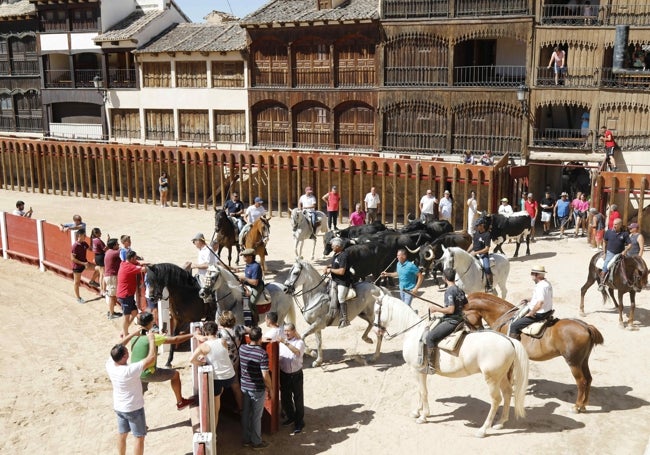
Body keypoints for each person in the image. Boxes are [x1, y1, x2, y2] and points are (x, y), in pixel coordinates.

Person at [130, 312, 196, 410]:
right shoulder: (153, 337)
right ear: (150, 323)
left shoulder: (134, 337)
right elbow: (176, 339)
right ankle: (180, 402)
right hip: (148, 372)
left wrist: (160, 336)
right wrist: (192, 335)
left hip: (135, 372)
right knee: (175, 375)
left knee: (138, 398)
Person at [106, 330, 156, 455]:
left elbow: (118, 346)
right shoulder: (130, 370)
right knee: (139, 437)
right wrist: (151, 340)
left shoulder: (110, 364)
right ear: (124, 357)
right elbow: (151, 358)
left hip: (119, 407)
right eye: (127, 352)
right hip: (134, 408)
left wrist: (133, 334)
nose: (128, 351)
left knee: (122, 434)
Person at [189, 320, 236, 432]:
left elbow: (191, 360)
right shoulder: (223, 341)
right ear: (216, 331)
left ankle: (214, 432)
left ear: (205, 332)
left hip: (217, 379)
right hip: (230, 376)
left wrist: (202, 362)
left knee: (215, 407)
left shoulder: (204, 347)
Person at [423, 267, 468, 370]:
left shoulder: (449, 291)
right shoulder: (460, 290)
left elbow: (451, 310)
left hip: (452, 321)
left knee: (430, 337)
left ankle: (431, 366)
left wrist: (437, 309)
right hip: (460, 319)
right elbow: (465, 306)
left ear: (444, 278)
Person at [239, 326, 273, 450]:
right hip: (257, 388)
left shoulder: (242, 348)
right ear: (260, 338)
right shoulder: (262, 354)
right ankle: (257, 442)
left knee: (246, 413)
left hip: (244, 386)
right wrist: (270, 388)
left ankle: (246, 440)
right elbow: (265, 375)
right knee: (256, 416)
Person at [509, 265, 554, 340]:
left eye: (532, 273)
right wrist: (528, 299)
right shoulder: (547, 283)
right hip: (547, 311)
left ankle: (514, 347)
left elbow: (540, 303)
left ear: (537, 275)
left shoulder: (540, 287)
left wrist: (531, 313)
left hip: (539, 314)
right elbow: (541, 298)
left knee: (514, 325)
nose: (531, 275)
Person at [278, 323, 306, 436]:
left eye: (288, 331)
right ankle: (291, 417)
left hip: (296, 375)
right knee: (285, 398)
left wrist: (285, 342)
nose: (286, 333)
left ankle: (299, 422)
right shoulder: (281, 344)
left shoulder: (300, 342)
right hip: (284, 375)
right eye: (285, 331)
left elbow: (297, 352)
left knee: (298, 399)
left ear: (294, 331)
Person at [217, 310, 245, 412]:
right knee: (236, 384)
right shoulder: (238, 329)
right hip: (235, 359)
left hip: (224, 360)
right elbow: (250, 330)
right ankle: (241, 408)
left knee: (219, 386)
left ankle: (218, 409)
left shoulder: (219, 333)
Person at [117, 251, 147, 338]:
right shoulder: (129, 267)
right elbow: (143, 269)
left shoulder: (124, 263)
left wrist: (144, 262)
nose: (136, 259)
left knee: (134, 313)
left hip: (126, 294)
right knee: (126, 316)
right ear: (131, 259)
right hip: (125, 295)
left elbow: (138, 264)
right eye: (135, 258)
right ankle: (125, 333)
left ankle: (124, 329)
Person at [325, 237, 353, 328]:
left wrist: (331, 270)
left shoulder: (344, 256)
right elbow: (334, 265)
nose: (331, 247)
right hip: (335, 280)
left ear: (338, 246)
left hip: (343, 281)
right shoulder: (336, 254)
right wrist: (328, 266)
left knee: (341, 297)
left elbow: (341, 271)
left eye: (333, 245)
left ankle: (344, 319)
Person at [600, 218, 631, 289]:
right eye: (613, 224)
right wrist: (604, 252)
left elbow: (630, 244)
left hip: (621, 253)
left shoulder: (625, 234)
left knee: (630, 264)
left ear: (620, 225)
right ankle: (602, 282)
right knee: (606, 265)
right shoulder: (608, 232)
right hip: (611, 252)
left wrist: (625, 251)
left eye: (616, 224)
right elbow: (604, 241)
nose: (614, 225)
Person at [238, 248, 265, 327]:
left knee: (251, 302)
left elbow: (255, 282)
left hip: (257, 287)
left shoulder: (255, 266)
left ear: (250, 257)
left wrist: (244, 278)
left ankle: (255, 321)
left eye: (245, 256)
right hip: (248, 285)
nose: (243, 257)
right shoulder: (248, 265)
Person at [467, 218, 493, 292]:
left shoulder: (487, 235)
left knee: (487, 267)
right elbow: (473, 244)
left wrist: (476, 253)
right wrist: (467, 251)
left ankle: (489, 284)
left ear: (482, 225)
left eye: (477, 225)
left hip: (483, 255)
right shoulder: (476, 233)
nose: (476, 227)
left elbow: (487, 249)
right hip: (474, 254)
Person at [104, 238, 123, 319]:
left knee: (112, 295)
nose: (118, 245)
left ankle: (111, 311)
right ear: (114, 245)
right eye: (117, 244)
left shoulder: (108, 252)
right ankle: (111, 314)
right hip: (112, 276)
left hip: (109, 276)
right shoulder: (115, 253)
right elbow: (124, 250)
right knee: (112, 296)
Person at [71, 228, 90, 304]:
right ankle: (78, 298)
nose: (85, 236)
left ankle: (92, 281)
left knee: (98, 268)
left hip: (84, 264)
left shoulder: (84, 243)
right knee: (77, 282)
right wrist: (83, 263)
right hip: (77, 266)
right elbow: (72, 259)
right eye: (84, 235)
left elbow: (92, 249)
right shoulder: (75, 246)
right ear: (79, 235)